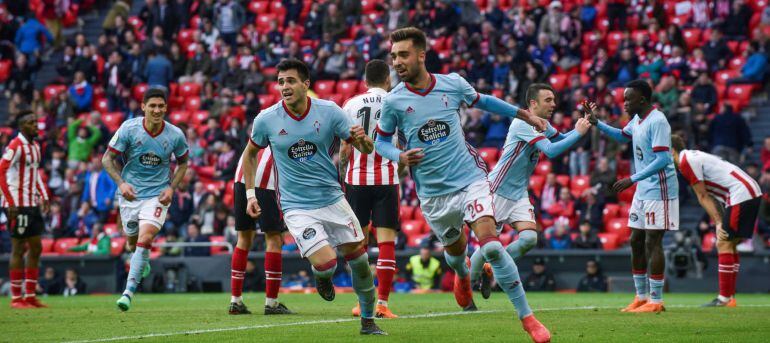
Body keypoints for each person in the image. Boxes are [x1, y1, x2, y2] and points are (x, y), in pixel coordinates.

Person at [374, 27, 550, 342]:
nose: (397, 62)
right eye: (393, 56)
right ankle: (461, 274)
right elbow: (381, 143)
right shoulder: (394, 101)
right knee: (455, 252)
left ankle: (529, 319)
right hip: (433, 195)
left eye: (403, 55)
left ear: (421, 55)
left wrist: (524, 114)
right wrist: (399, 156)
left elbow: (487, 103)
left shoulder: (452, 84)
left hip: (470, 179)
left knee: (492, 245)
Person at [240, 59, 384, 335]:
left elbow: (364, 149)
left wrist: (363, 139)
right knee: (327, 263)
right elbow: (250, 154)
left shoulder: (330, 112)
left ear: (306, 84)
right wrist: (250, 194)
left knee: (361, 265)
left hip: (332, 199)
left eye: (291, 81)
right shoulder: (266, 119)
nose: (285, 86)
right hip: (297, 206)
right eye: (281, 82)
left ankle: (368, 321)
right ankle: (322, 278)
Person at [469, 83, 591, 299]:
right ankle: (468, 283)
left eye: (554, 100)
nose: (554, 104)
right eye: (548, 100)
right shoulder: (521, 123)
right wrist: (578, 134)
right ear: (533, 103)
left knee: (528, 240)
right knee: (488, 243)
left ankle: (492, 267)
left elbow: (560, 139)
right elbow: (552, 151)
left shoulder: (542, 124)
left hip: (518, 193)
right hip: (497, 190)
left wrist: (581, 125)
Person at [586, 79, 679, 313]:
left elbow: (663, 159)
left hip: (660, 189)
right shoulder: (638, 119)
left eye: (628, 99)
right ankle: (640, 296)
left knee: (652, 242)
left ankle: (656, 300)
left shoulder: (658, 121)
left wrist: (632, 178)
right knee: (635, 241)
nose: (624, 103)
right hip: (643, 189)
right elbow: (620, 136)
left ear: (643, 99)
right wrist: (597, 123)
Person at [103, 88, 189, 311]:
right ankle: (143, 258)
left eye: (161, 106)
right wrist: (121, 184)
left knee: (146, 236)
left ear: (166, 108)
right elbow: (107, 159)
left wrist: (171, 188)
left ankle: (128, 292)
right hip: (130, 194)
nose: (157, 110)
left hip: (157, 195)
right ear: (143, 107)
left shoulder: (175, 135)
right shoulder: (129, 129)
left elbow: (183, 163)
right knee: (132, 243)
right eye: (152, 106)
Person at [339, 60, 402, 319]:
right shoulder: (397, 101)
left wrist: (344, 177)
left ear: (365, 81)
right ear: (388, 80)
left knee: (359, 245)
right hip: (387, 178)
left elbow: (344, 149)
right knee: (386, 242)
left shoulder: (351, 104)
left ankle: (361, 303)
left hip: (356, 181)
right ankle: (383, 304)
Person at [671, 135, 763, 307]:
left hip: (740, 193)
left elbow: (703, 195)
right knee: (731, 243)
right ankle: (730, 297)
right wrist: (719, 220)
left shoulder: (685, 162)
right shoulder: (693, 156)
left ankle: (724, 298)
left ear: (670, 150)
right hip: (746, 190)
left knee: (724, 242)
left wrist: (719, 222)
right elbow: (712, 194)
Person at [229, 144, 293, 315]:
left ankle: (235, 301)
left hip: (241, 177)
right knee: (274, 239)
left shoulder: (260, 122)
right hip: (267, 180)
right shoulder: (286, 121)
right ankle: (271, 303)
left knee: (243, 238)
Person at [0, 111, 51, 309]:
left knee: (36, 247)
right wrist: (10, 202)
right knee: (19, 247)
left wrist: (44, 195)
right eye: (30, 123)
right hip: (17, 204)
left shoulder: (35, 146)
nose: (35, 126)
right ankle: (16, 298)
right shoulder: (15, 145)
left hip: (31, 203)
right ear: (22, 127)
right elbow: (1, 170)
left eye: (36, 122)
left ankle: (29, 295)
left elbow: (34, 173)